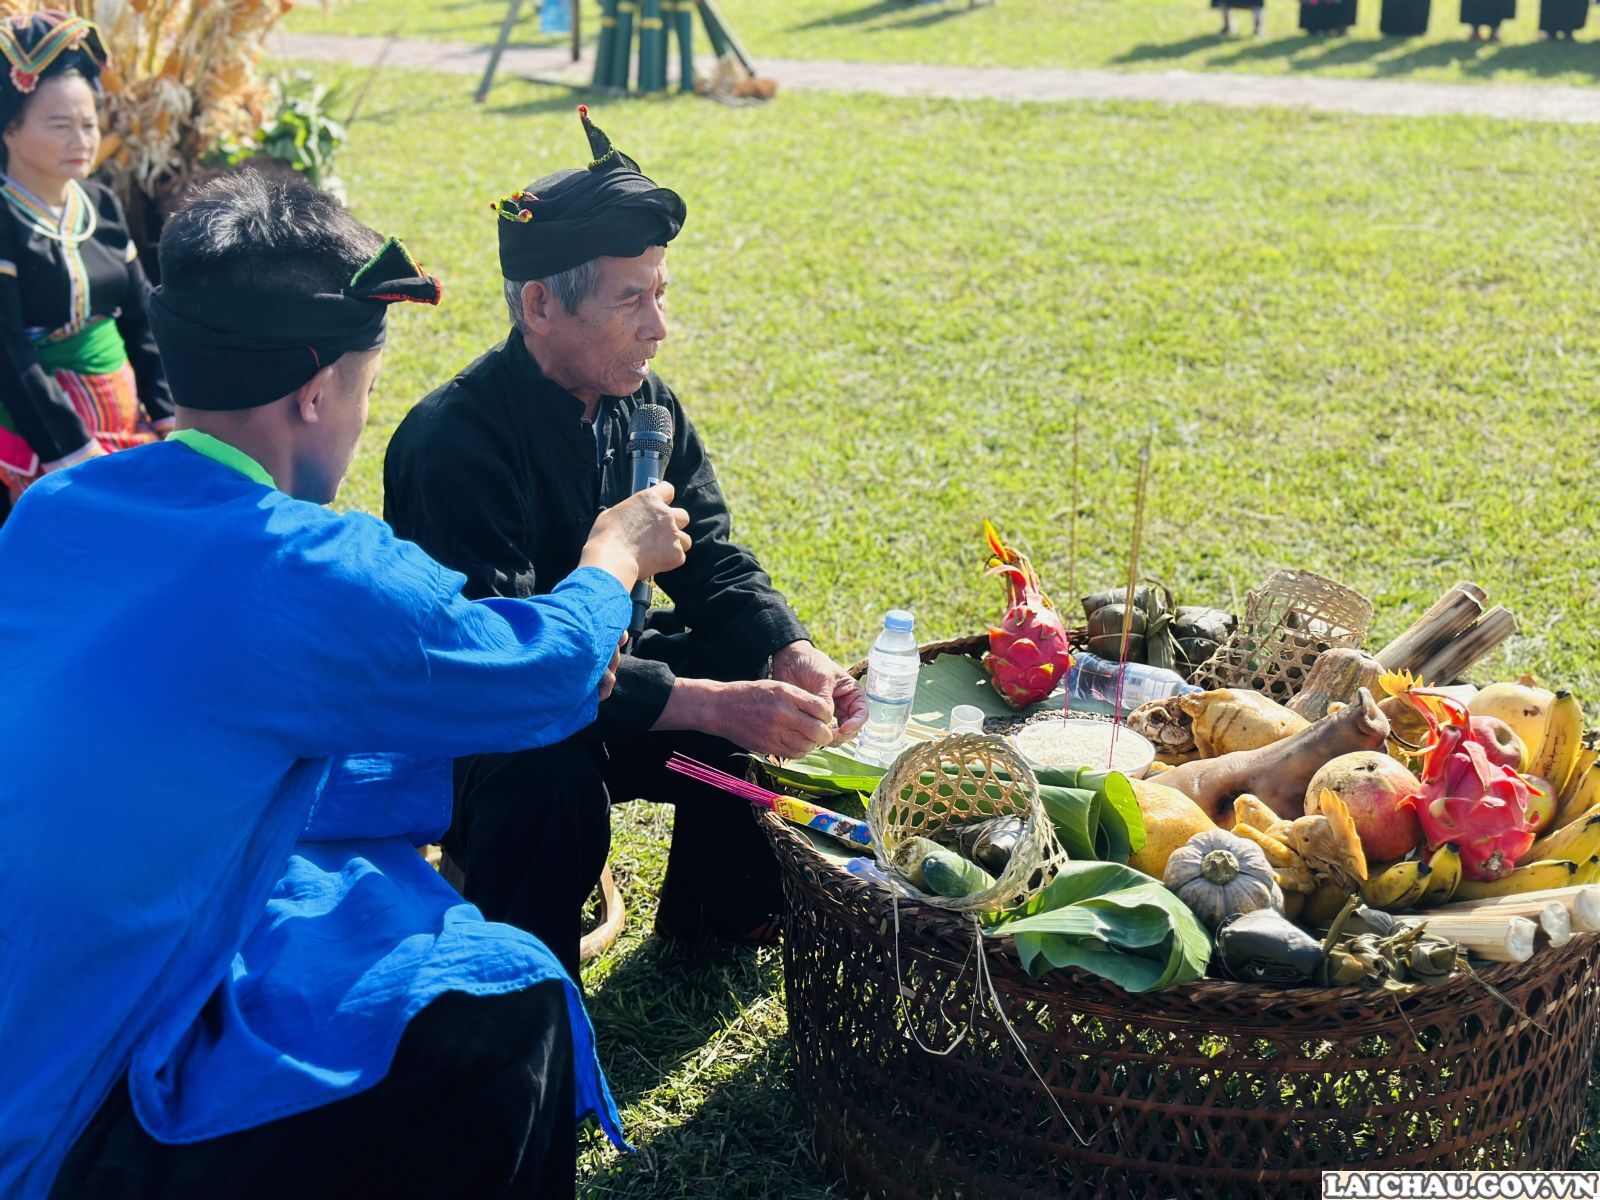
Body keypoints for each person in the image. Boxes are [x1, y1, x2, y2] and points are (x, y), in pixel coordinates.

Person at [0, 169, 692, 1199]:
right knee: (507, 1001)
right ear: (316, 391)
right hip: (72, 1110)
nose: (365, 416)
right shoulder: (305, 566)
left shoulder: (60, 507)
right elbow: (547, 672)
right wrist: (613, 558)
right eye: (367, 388)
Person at [383, 107, 866, 975]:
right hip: (487, 726)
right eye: (630, 299)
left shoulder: (647, 405)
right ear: (540, 305)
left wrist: (789, 650)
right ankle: (525, 978)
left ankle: (720, 921)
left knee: (752, 679)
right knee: (548, 774)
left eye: (661, 293)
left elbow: (711, 554)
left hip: (618, 684)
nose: (659, 326)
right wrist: (706, 704)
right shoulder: (453, 441)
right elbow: (506, 667)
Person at [0, 12, 174, 514]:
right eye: (60, 125)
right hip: (34, 432)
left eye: (89, 124)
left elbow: (141, 319)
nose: (82, 140)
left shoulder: (100, 204)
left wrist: (167, 413)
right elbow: (8, 351)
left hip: (122, 420)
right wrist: (74, 452)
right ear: (9, 130)